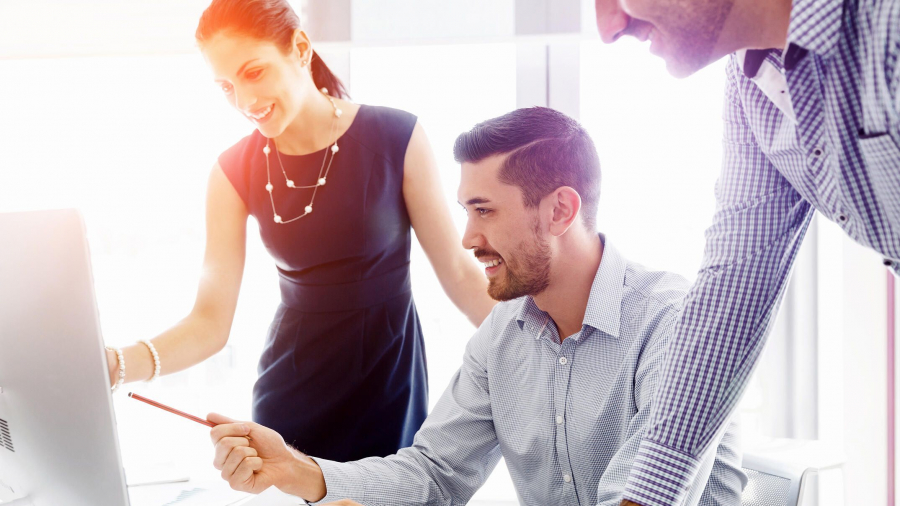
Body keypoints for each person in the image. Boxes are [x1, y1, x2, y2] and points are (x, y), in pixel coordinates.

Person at [205, 107, 746, 506]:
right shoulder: (503, 334)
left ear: (560, 210)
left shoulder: (673, 324)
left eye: (484, 211)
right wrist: (296, 470)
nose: (468, 238)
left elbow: (645, 497)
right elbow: (436, 473)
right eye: (466, 212)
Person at [102, 0, 496, 462]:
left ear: (300, 48)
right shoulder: (231, 172)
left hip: (391, 388)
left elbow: (460, 274)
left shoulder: (397, 136)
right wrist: (115, 365)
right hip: (292, 400)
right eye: (226, 87)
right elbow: (209, 322)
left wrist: (543, 352)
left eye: (254, 72)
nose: (245, 101)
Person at [592, 0, 900, 505]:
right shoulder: (752, 87)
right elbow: (734, 285)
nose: (609, 27)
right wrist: (644, 497)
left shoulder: (885, 23)